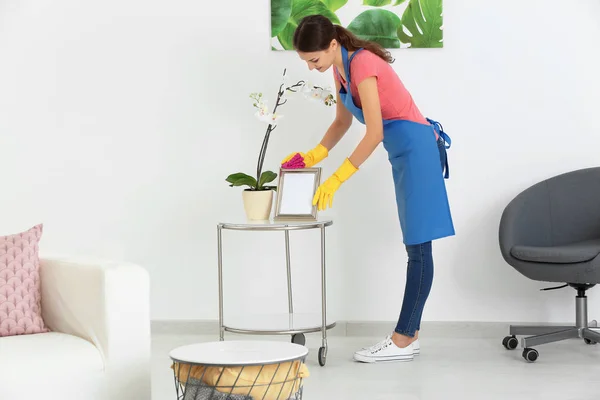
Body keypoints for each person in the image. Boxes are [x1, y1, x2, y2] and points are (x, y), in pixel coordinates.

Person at [280, 14, 455, 363]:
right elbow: (342, 120)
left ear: (332, 45)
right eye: (305, 62)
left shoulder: (363, 64)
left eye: (314, 59)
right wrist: (315, 153)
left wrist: (338, 178)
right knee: (416, 246)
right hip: (403, 152)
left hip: (417, 149)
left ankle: (404, 337)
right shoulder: (339, 67)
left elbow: (373, 132)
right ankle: (410, 334)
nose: (312, 68)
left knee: (418, 247)